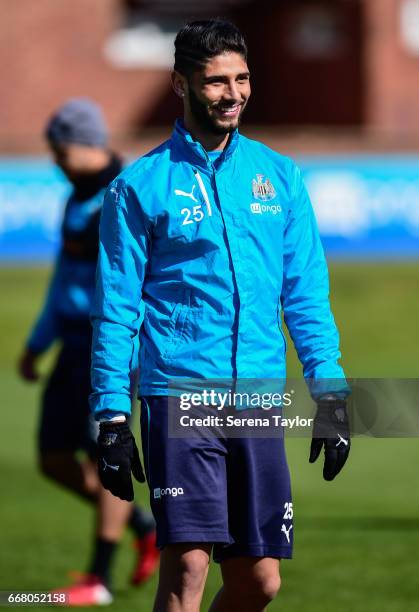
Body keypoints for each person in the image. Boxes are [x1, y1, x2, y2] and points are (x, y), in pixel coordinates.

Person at [91, 20, 351, 612]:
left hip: (257, 395)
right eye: (216, 82)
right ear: (180, 84)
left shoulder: (280, 177)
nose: (233, 93)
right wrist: (111, 416)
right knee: (186, 569)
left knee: (259, 582)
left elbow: (305, 297)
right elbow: (116, 310)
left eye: (242, 79)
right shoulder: (138, 187)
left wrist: (330, 397)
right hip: (178, 391)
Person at [18, 98, 158, 607]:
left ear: (82, 143)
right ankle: (142, 524)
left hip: (113, 348)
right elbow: (63, 278)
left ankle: (98, 578)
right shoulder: (74, 198)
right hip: (71, 345)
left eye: (58, 150)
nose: (54, 160)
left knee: (107, 456)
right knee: (53, 458)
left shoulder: (125, 193)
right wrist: (38, 343)